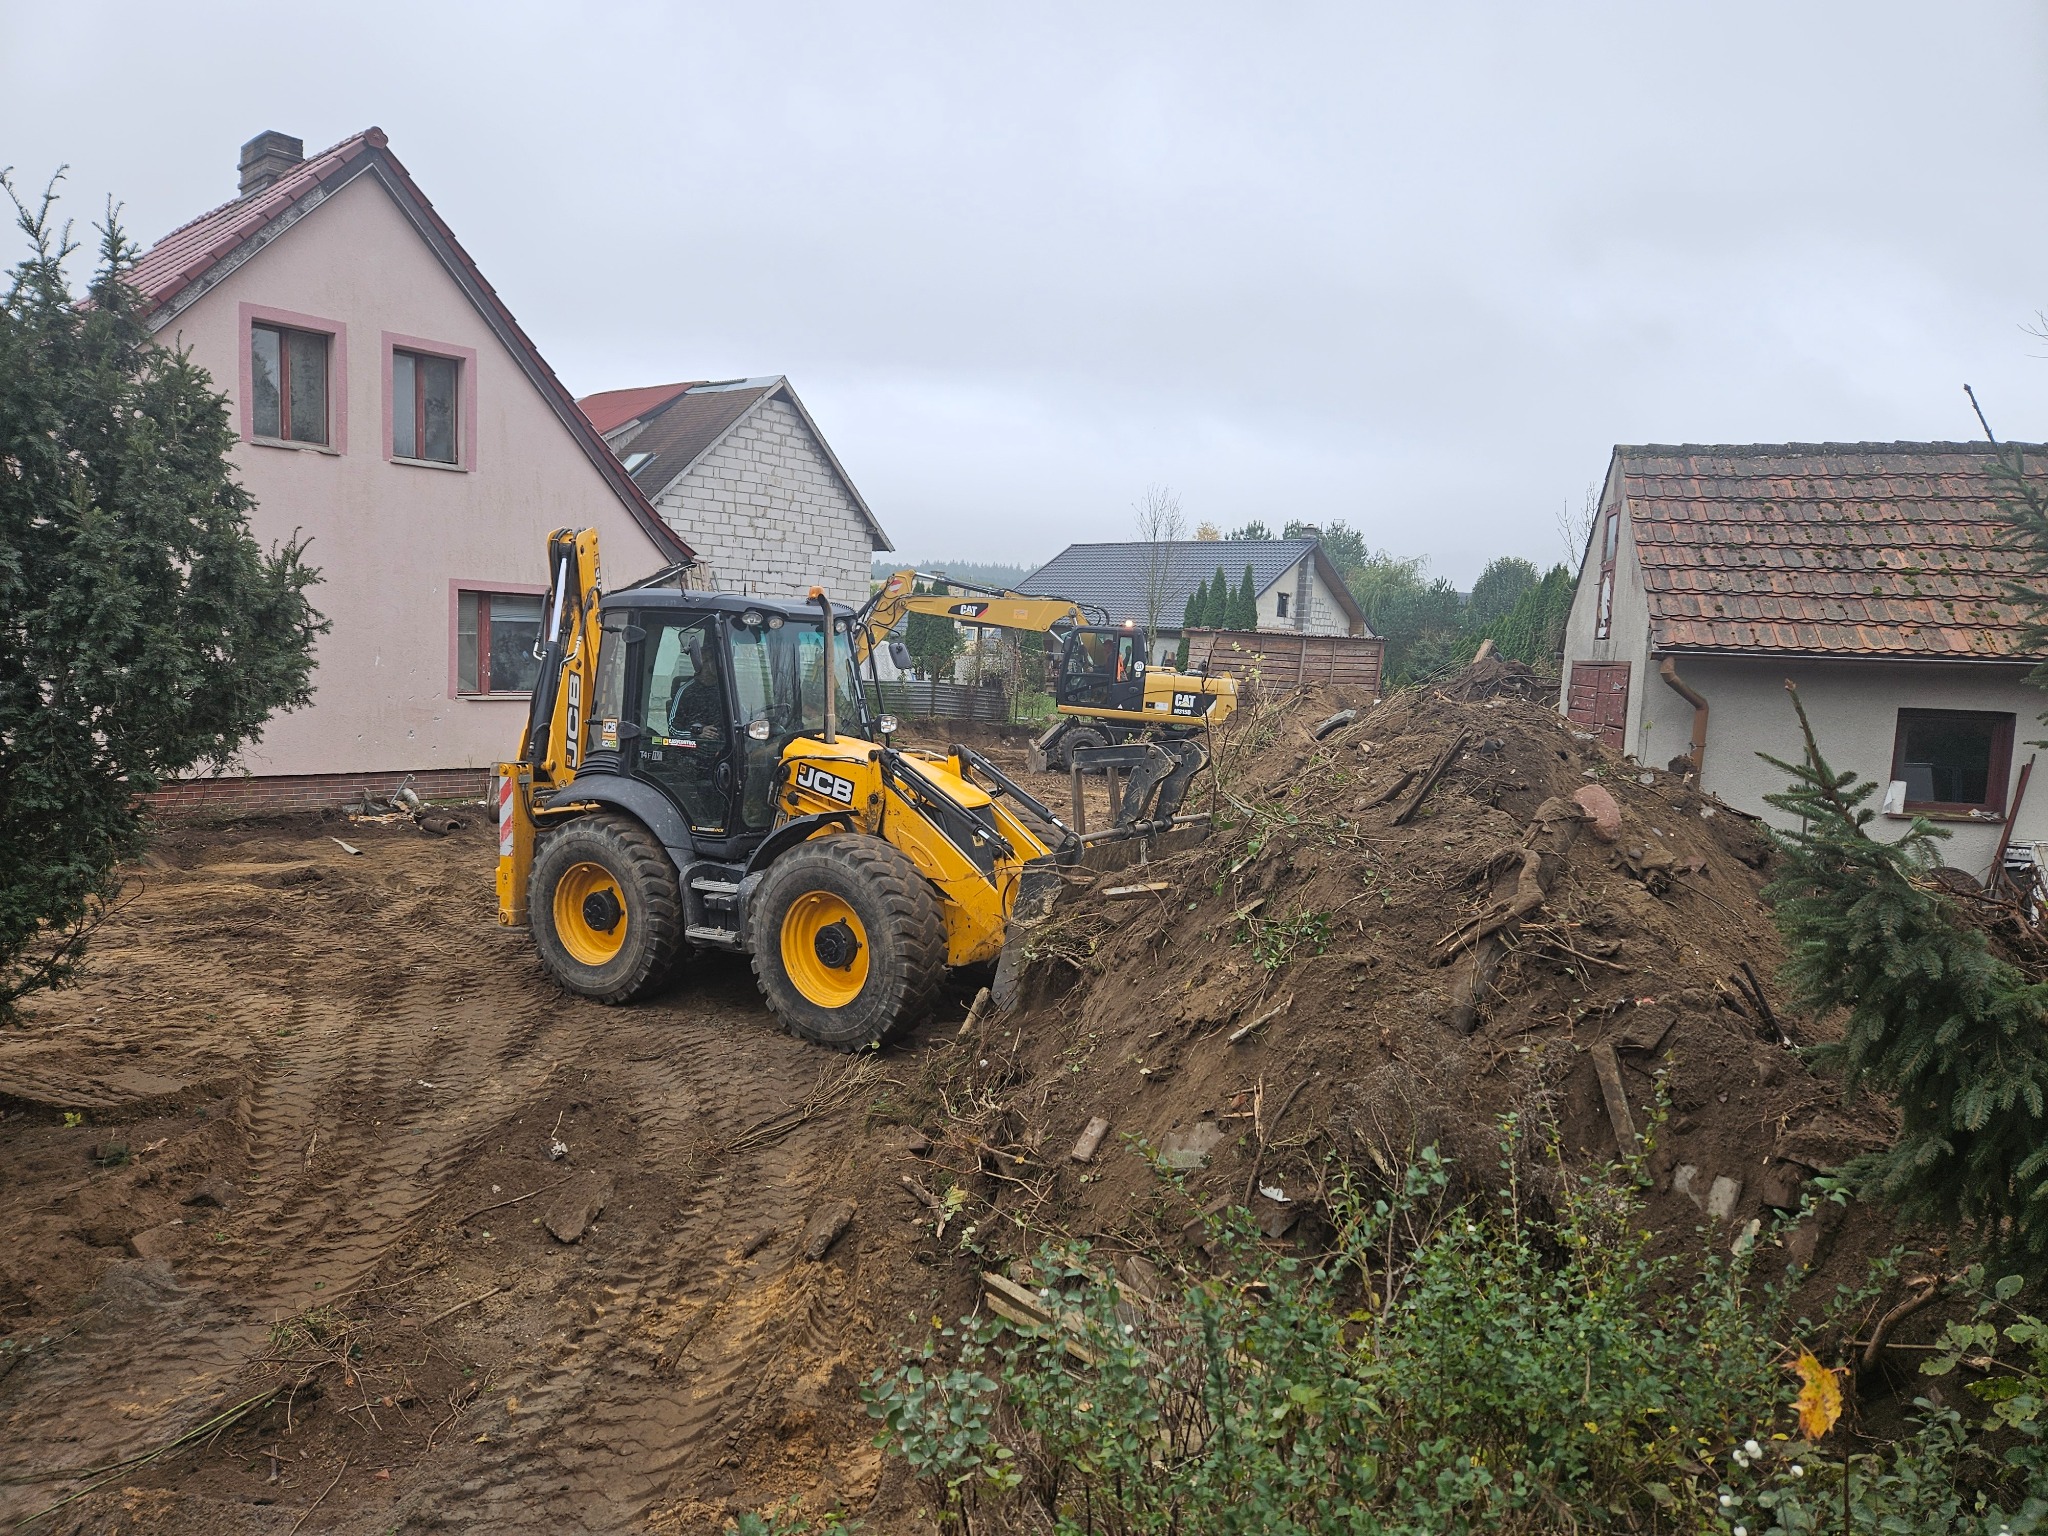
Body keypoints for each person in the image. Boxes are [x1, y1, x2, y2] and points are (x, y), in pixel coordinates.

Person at [668, 644, 726, 744]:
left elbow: (738, 717)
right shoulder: (685, 691)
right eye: (713, 660)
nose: (719, 665)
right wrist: (697, 733)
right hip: (693, 749)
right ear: (702, 663)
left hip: (723, 747)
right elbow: (672, 727)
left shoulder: (724, 690)